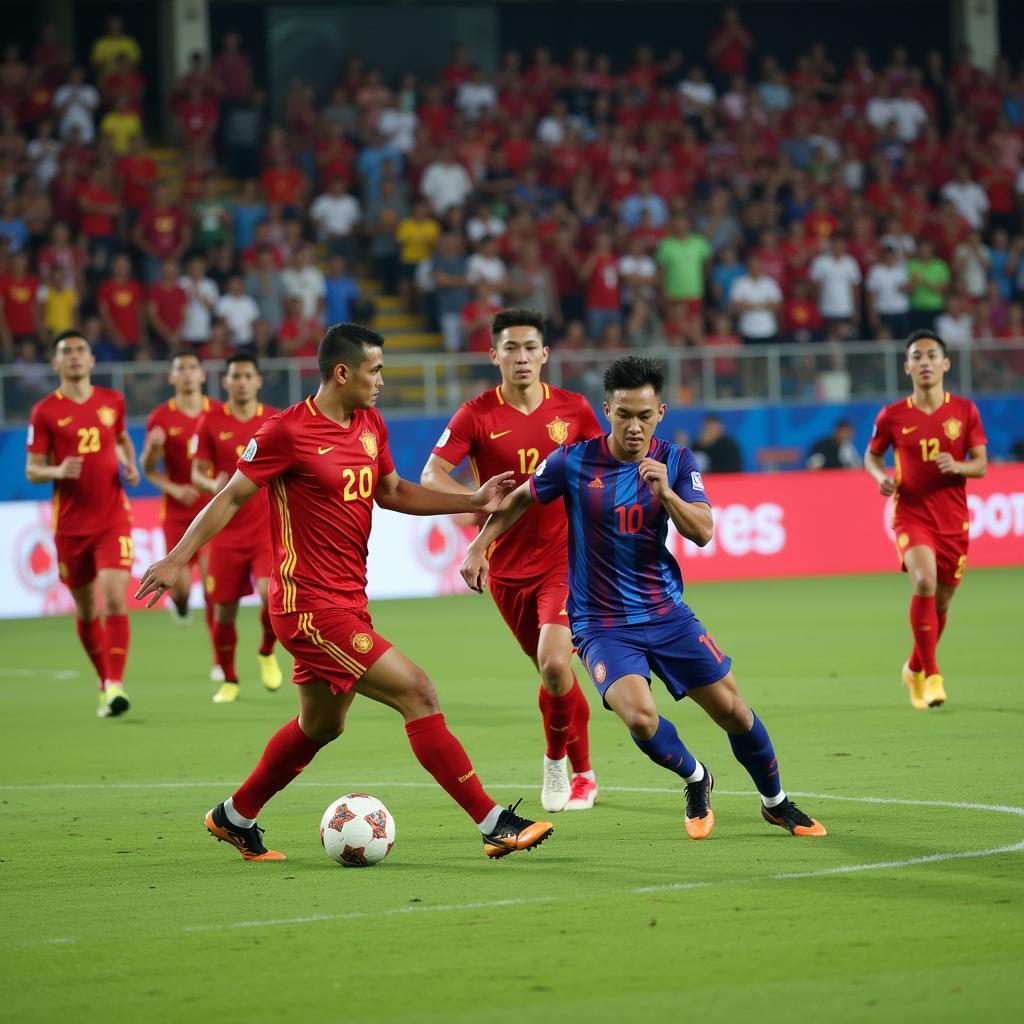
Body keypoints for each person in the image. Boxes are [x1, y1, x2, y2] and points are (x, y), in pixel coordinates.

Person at [136, 323, 554, 863]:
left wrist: (471, 500)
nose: (381, 381)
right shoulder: (285, 432)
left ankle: (233, 816)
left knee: (321, 725)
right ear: (342, 372)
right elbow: (231, 496)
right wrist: (178, 557)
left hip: (349, 600)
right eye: (375, 370)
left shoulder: (369, 424)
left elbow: (392, 491)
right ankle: (493, 823)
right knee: (418, 693)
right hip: (306, 605)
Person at [461, 356, 826, 841]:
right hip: (600, 624)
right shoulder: (572, 460)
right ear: (607, 409)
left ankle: (775, 802)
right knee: (640, 717)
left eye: (645, 416)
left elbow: (703, 533)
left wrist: (668, 496)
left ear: (661, 413)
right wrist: (478, 544)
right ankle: (697, 777)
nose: (634, 426)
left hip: (667, 614)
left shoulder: (676, 461)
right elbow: (521, 500)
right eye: (624, 414)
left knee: (734, 712)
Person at [421, 307, 603, 811]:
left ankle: (556, 765)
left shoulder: (575, 410)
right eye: (510, 348)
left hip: (568, 559)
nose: (521, 357)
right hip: (506, 567)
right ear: (493, 355)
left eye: (530, 348)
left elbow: (605, 472)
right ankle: (585, 771)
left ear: (545, 354)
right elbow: (432, 474)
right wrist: (473, 498)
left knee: (553, 661)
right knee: (555, 674)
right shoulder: (476, 413)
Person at [864, 330, 988, 709]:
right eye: (917, 356)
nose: (925, 362)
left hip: (952, 518)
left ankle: (914, 667)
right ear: (907, 367)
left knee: (942, 602)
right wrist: (881, 477)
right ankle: (932, 675)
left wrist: (960, 466)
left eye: (932, 355)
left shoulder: (965, 411)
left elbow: (981, 465)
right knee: (924, 580)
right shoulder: (893, 414)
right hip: (911, 513)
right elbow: (871, 456)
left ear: (945, 363)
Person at [25, 330, 141, 718]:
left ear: (92, 361)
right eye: (66, 352)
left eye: (80, 351)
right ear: (56, 363)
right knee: (88, 609)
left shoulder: (113, 401)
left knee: (113, 598)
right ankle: (104, 678)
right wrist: (58, 468)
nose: (74, 357)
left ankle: (115, 684)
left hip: (113, 517)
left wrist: (130, 462)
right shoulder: (44, 411)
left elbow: (122, 438)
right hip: (71, 525)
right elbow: (32, 469)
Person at [191, 352, 282, 702]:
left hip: (265, 531)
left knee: (270, 598)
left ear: (258, 380)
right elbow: (196, 470)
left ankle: (265, 651)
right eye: (235, 376)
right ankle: (229, 679)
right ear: (226, 382)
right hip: (225, 533)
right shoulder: (211, 422)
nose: (242, 382)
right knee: (223, 609)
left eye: (248, 376)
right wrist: (208, 482)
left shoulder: (275, 420)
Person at [141, 352, 222, 676]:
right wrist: (174, 488)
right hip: (177, 513)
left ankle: (220, 661)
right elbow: (149, 469)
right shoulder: (161, 418)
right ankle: (181, 605)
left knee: (214, 586)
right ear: (171, 378)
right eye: (180, 370)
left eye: (192, 368)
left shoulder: (217, 412)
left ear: (202, 375)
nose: (187, 374)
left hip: (213, 511)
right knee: (184, 588)